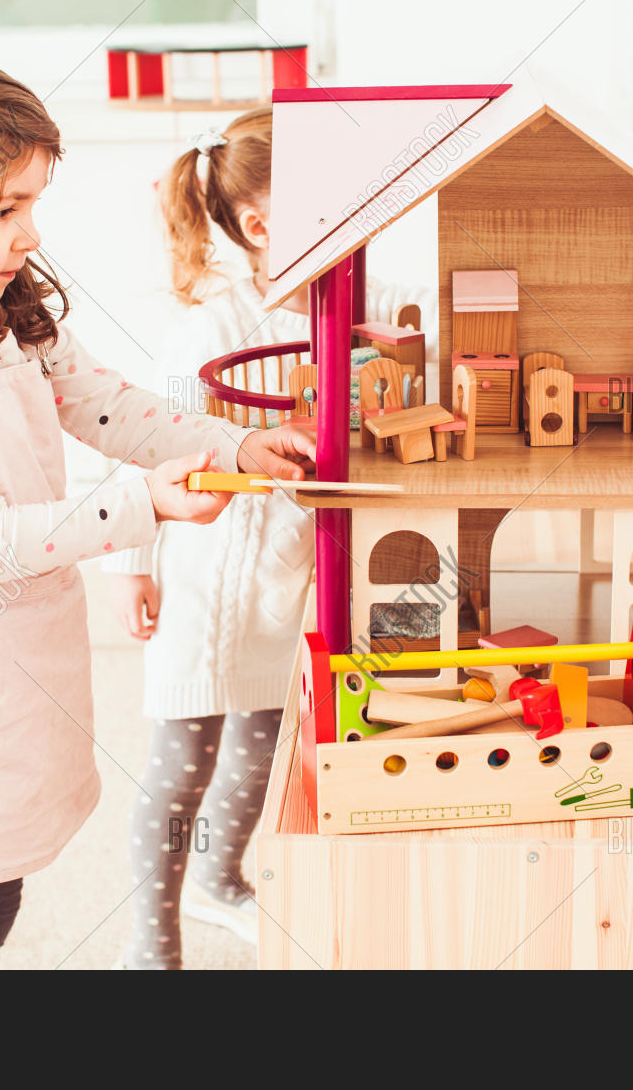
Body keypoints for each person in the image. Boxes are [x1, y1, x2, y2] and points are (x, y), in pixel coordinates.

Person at [0, 48, 316, 970]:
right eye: (5, 211)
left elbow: (107, 404)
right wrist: (145, 505)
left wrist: (231, 444)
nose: (30, 234)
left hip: (15, 659)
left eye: (32, 205)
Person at [104, 107, 434, 968]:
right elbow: (149, 442)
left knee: (260, 750)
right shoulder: (210, 327)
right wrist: (134, 566)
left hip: (289, 585)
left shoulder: (353, 302)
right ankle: (152, 944)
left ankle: (221, 881)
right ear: (260, 226)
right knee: (182, 761)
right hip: (207, 583)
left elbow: (405, 349)